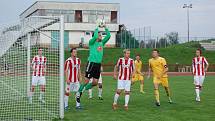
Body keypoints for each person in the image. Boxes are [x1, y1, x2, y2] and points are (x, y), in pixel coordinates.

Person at [76, 25, 111, 106]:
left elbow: (108, 35)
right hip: (91, 63)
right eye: (99, 35)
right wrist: (97, 27)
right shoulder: (91, 42)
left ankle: (82, 90)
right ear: (95, 37)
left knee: (95, 83)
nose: (101, 36)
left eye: (101, 35)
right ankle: (78, 93)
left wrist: (105, 27)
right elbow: (95, 36)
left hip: (98, 65)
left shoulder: (102, 43)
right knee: (86, 81)